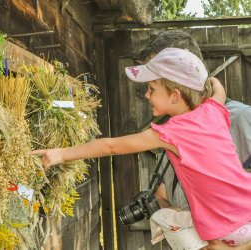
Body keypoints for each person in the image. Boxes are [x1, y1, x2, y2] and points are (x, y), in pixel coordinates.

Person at [30, 47, 251, 247]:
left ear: (175, 95)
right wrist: (209, 81)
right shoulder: (213, 110)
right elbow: (218, 90)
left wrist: (61, 154)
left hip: (225, 228)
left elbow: (111, 147)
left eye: (151, 88)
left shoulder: (173, 132)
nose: (146, 95)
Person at [139, 30, 251, 250]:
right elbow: (164, 195)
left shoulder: (242, 119)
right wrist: (171, 212)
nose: (148, 89)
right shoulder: (170, 132)